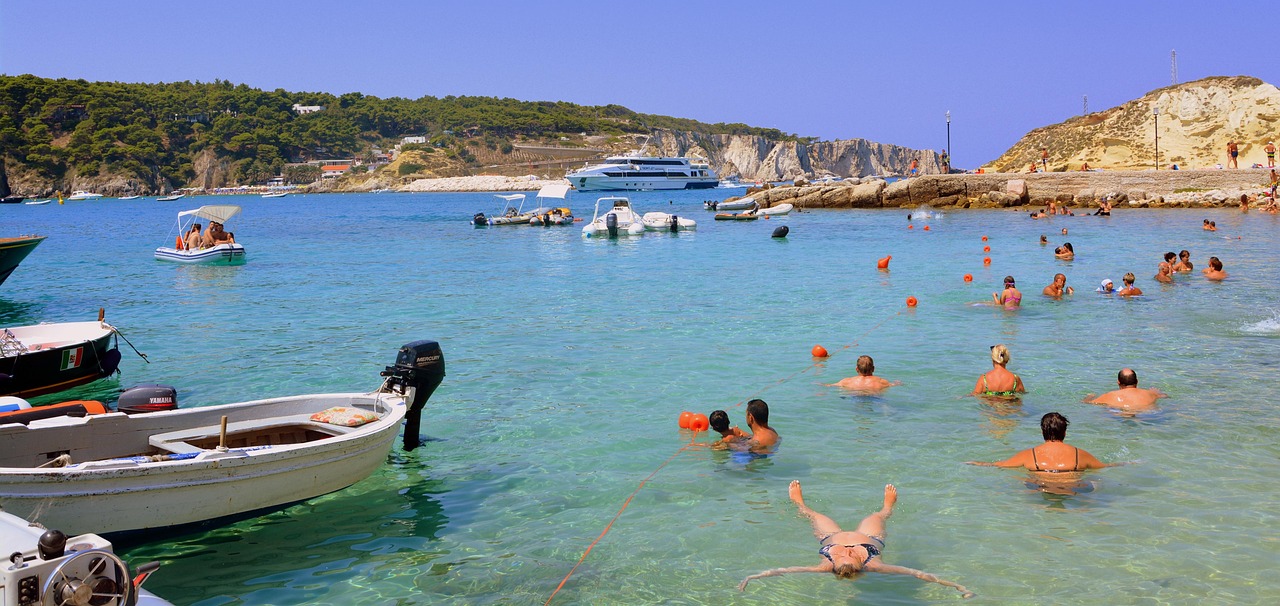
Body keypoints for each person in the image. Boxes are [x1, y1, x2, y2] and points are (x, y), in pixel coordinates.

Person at [737, 482, 974, 598]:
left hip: (829, 537)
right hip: (871, 538)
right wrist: (957, 587)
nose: (847, 551)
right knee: (878, 515)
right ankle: (887, 507)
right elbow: (915, 573)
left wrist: (752, 576)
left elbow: (786, 570)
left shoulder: (825, 565)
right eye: (849, 556)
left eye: (842, 556)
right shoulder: (874, 565)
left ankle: (800, 503)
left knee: (813, 514)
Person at [966, 412, 1109, 472]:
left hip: (1039, 488)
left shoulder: (1029, 454)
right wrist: (1129, 462)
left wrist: (976, 463)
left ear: (1042, 432)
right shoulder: (1080, 454)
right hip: (1072, 489)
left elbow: (999, 465)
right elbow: (1106, 466)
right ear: (1065, 433)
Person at [1083, 368, 1166, 413]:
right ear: (1137, 381)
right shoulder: (1150, 393)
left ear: (1118, 382)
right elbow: (1165, 396)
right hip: (1147, 415)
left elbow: (1086, 403)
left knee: (1108, 411)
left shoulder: (1109, 396)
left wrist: (1089, 397)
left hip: (1119, 417)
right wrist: (1158, 393)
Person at [826, 355, 900, 392]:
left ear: (856, 369)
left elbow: (830, 386)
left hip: (855, 397)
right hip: (874, 397)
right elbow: (892, 385)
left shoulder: (847, 381)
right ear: (873, 369)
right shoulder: (881, 381)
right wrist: (897, 383)